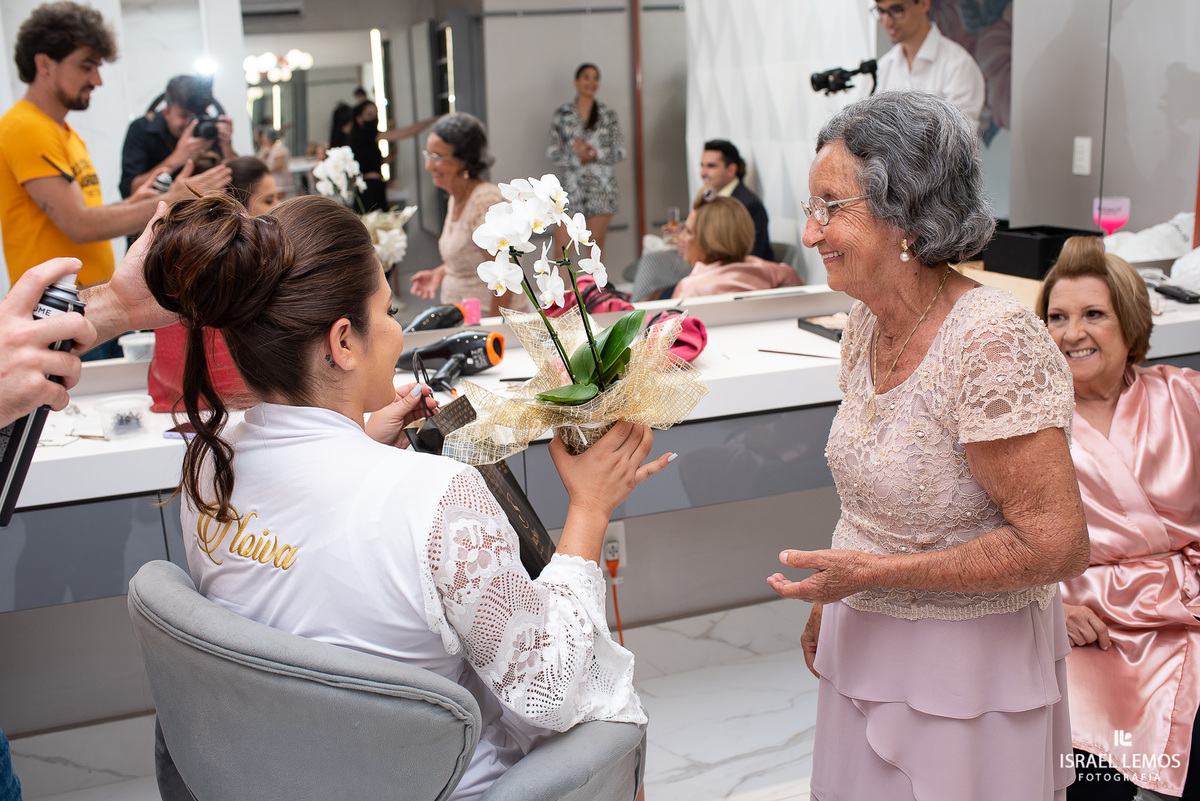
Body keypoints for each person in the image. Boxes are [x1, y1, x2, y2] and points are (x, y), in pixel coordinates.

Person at [140, 192, 671, 800]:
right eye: (389, 310)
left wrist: (363, 443)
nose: (398, 332)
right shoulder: (436, 498)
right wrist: (590, 508)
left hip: (277, 772)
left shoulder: (209, 463)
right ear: (343, 342)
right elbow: (555, 686)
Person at [766, 91, 1088, 800]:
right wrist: (834, 598)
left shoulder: (991, 340)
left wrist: (869, 576)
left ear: (905, 215)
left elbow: (1056, 546)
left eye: (832, 207)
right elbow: (872, 495)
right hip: (865, 643)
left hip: (969, 673)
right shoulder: (863, 323)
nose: (812, 232)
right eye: (809, 206)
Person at [1036, 236, 1200, 800]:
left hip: (1188, 614)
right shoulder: (1026, 426)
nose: (1071, 333)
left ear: (1130, 326)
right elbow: (988, 539)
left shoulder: (1185, 396)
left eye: (1093, 315)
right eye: (1057, 317)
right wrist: (1045, 605)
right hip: (1088, 626)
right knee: (1090, 774)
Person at [0, 1, 229, 297]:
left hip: (85, 300)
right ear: (44, 64)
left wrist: (133, 202)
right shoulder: (25, 127)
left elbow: (83, 213)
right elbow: (79, 225)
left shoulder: (64, 133)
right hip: (56, 305)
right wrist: (170, 200)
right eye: (86, 66)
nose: (97, 80)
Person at [146, 156, 277, 414]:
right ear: (236, 211)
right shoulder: (254, 275)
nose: (279, 207)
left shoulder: (177, 266)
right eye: (269, 200)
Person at [410, 113, 524, 317]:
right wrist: (440, 273)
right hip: (465, 318)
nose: (429, 166)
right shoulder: (457, 196)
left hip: (488, 321)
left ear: (464, 160)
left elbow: (506, 271)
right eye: (428, 155)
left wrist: (494, 330)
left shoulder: (485, 201)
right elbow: (471, 257)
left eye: (437, 158)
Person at [873, 0, 985, 133]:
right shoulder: (885, 66)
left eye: (897, 10)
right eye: (881, 11)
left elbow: (959, 140)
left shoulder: (959, 65)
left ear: (923, 4)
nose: (887, 22)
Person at [547, 63, 625, 253]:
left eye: (595, 78)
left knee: (595, 248)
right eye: (586, 77)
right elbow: (552, 152)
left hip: (602, 188)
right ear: (576, 81)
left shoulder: (607, 115)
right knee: (562, 249)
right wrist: (577, 158)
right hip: (571, 189)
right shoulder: (563, 115)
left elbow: (620, 151)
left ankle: (593, 284)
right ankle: (562, 284)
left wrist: (595, 153)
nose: (591, 82)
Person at [119, 74, 235, 199]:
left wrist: (226, 146)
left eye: (197, 116)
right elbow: (129, 191)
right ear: (166, 113)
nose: (191, 123)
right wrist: (177, 158)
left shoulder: (209, 130)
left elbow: (239, 181)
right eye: (184, 116)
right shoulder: (141, 129)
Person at [668, 196, 799, 300]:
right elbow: (795, 281)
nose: (682, 237)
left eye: (689, 231)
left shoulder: (689, 290)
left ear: (710, 241)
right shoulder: (766, 270)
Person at [694, 140, 771, 260]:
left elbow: (752, 256)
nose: (703, 173)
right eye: (702, 166)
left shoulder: (749, 205)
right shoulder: (710, 198)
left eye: (711, 166)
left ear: (731, 170)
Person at [253, 123, 293, 200]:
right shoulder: (267, 149)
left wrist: (265, 171)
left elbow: (279, 164)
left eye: (264, 136)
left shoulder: (279, 149)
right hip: (274, 180)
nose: (262, 138)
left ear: (268, 137)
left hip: (280, 181)